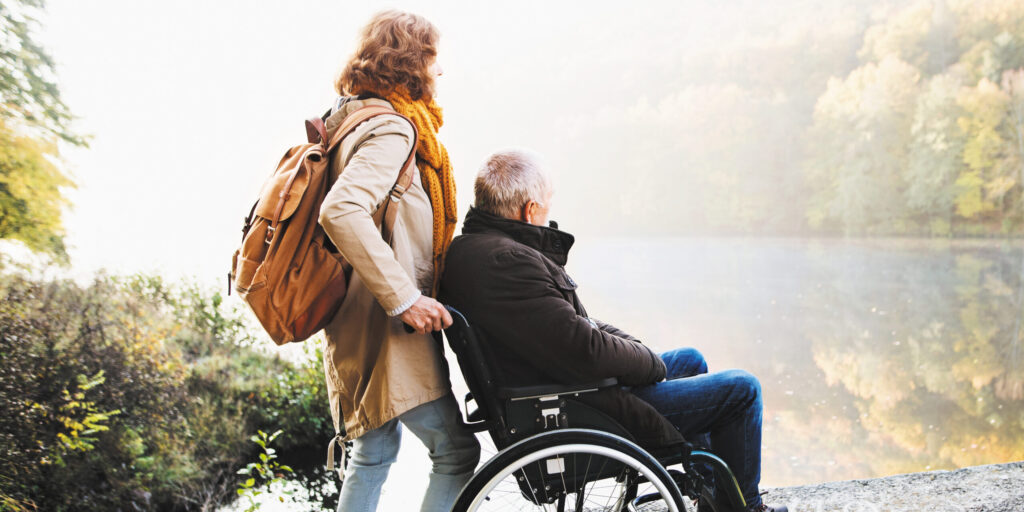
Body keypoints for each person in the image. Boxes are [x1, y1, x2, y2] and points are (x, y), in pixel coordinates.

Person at [439, 149, 787, 512]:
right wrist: (647, 361)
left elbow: (572, 328)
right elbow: (583, 349)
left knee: (689, 359)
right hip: (579, 407)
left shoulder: (476, 250)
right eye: (547, 206)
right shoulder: (507, 262)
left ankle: (711, 495)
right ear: (530, 209)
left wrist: (636, 351)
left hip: (564, 391)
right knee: (742, 389)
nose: (547, 215)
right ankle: (743, 508)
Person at [317, 10, 479, 512]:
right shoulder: (394, 129)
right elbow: (340, 212)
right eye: (433, 59)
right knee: (455, 452)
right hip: (386, 322)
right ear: (412, 61)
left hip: (350, 316)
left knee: (373, 451)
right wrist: (405, 298)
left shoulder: (349, 117)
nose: (439, 72)